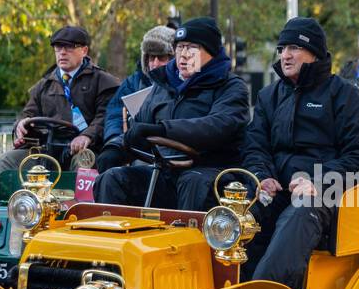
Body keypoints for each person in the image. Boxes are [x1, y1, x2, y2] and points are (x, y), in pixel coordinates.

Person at [241, 17, 359, 289]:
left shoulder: (345, 95)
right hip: (277, 190)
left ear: (313, 52)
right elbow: (255, 146)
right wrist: (262, 176)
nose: (285, 55)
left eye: (293, 48)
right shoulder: (269, 96)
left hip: (329, 193)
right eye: (282, 48)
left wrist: (318, 181)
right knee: (239, 212)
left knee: (301, 212)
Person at [92, 17, 248, 212]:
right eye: (180, 47)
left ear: (212, 53)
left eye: (192, 48)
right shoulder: (163, 85)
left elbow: (217, 126)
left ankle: (191, 241)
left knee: (193, 182)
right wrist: (116, 147)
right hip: (164, 172)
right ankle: (113, 239)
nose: (183, 55)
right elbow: (139, 126)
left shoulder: (231, 87)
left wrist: (164, 130)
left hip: (211, 172)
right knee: (113, 178)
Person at [0, 25, 120, 176]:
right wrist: (21, 124)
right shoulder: (44, 84)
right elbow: (28, 113)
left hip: (85, 148)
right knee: (7, 160)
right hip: (47, 149)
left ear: (84, 50)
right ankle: (19, 200)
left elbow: (105, 116)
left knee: (84, 161)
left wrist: (87, 135)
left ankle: (81, 201)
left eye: (69, 47)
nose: (62, 52)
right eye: (58, 47)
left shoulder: (102, 81)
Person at [97, 25, 175, 173]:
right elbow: (114, 115)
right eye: (152, 57)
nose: (156, 63)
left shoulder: (181, 84)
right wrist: (114, 140)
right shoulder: (133, 82)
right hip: (134, 143)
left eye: (162, 57)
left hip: (168, 147)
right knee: (108, 159)